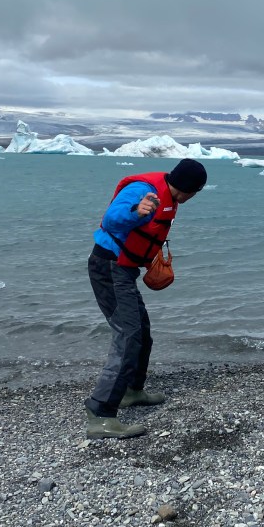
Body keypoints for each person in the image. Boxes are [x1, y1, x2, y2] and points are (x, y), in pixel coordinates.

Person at [84, 158, 208, 439]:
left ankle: (131, 391)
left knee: (142, 331)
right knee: (128, 335)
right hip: (109, 267)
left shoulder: (170, 196)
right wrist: (135, 211)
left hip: (124, 270)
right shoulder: (143, 190)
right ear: (191, 189)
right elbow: (111, 219)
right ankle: (100, 413)